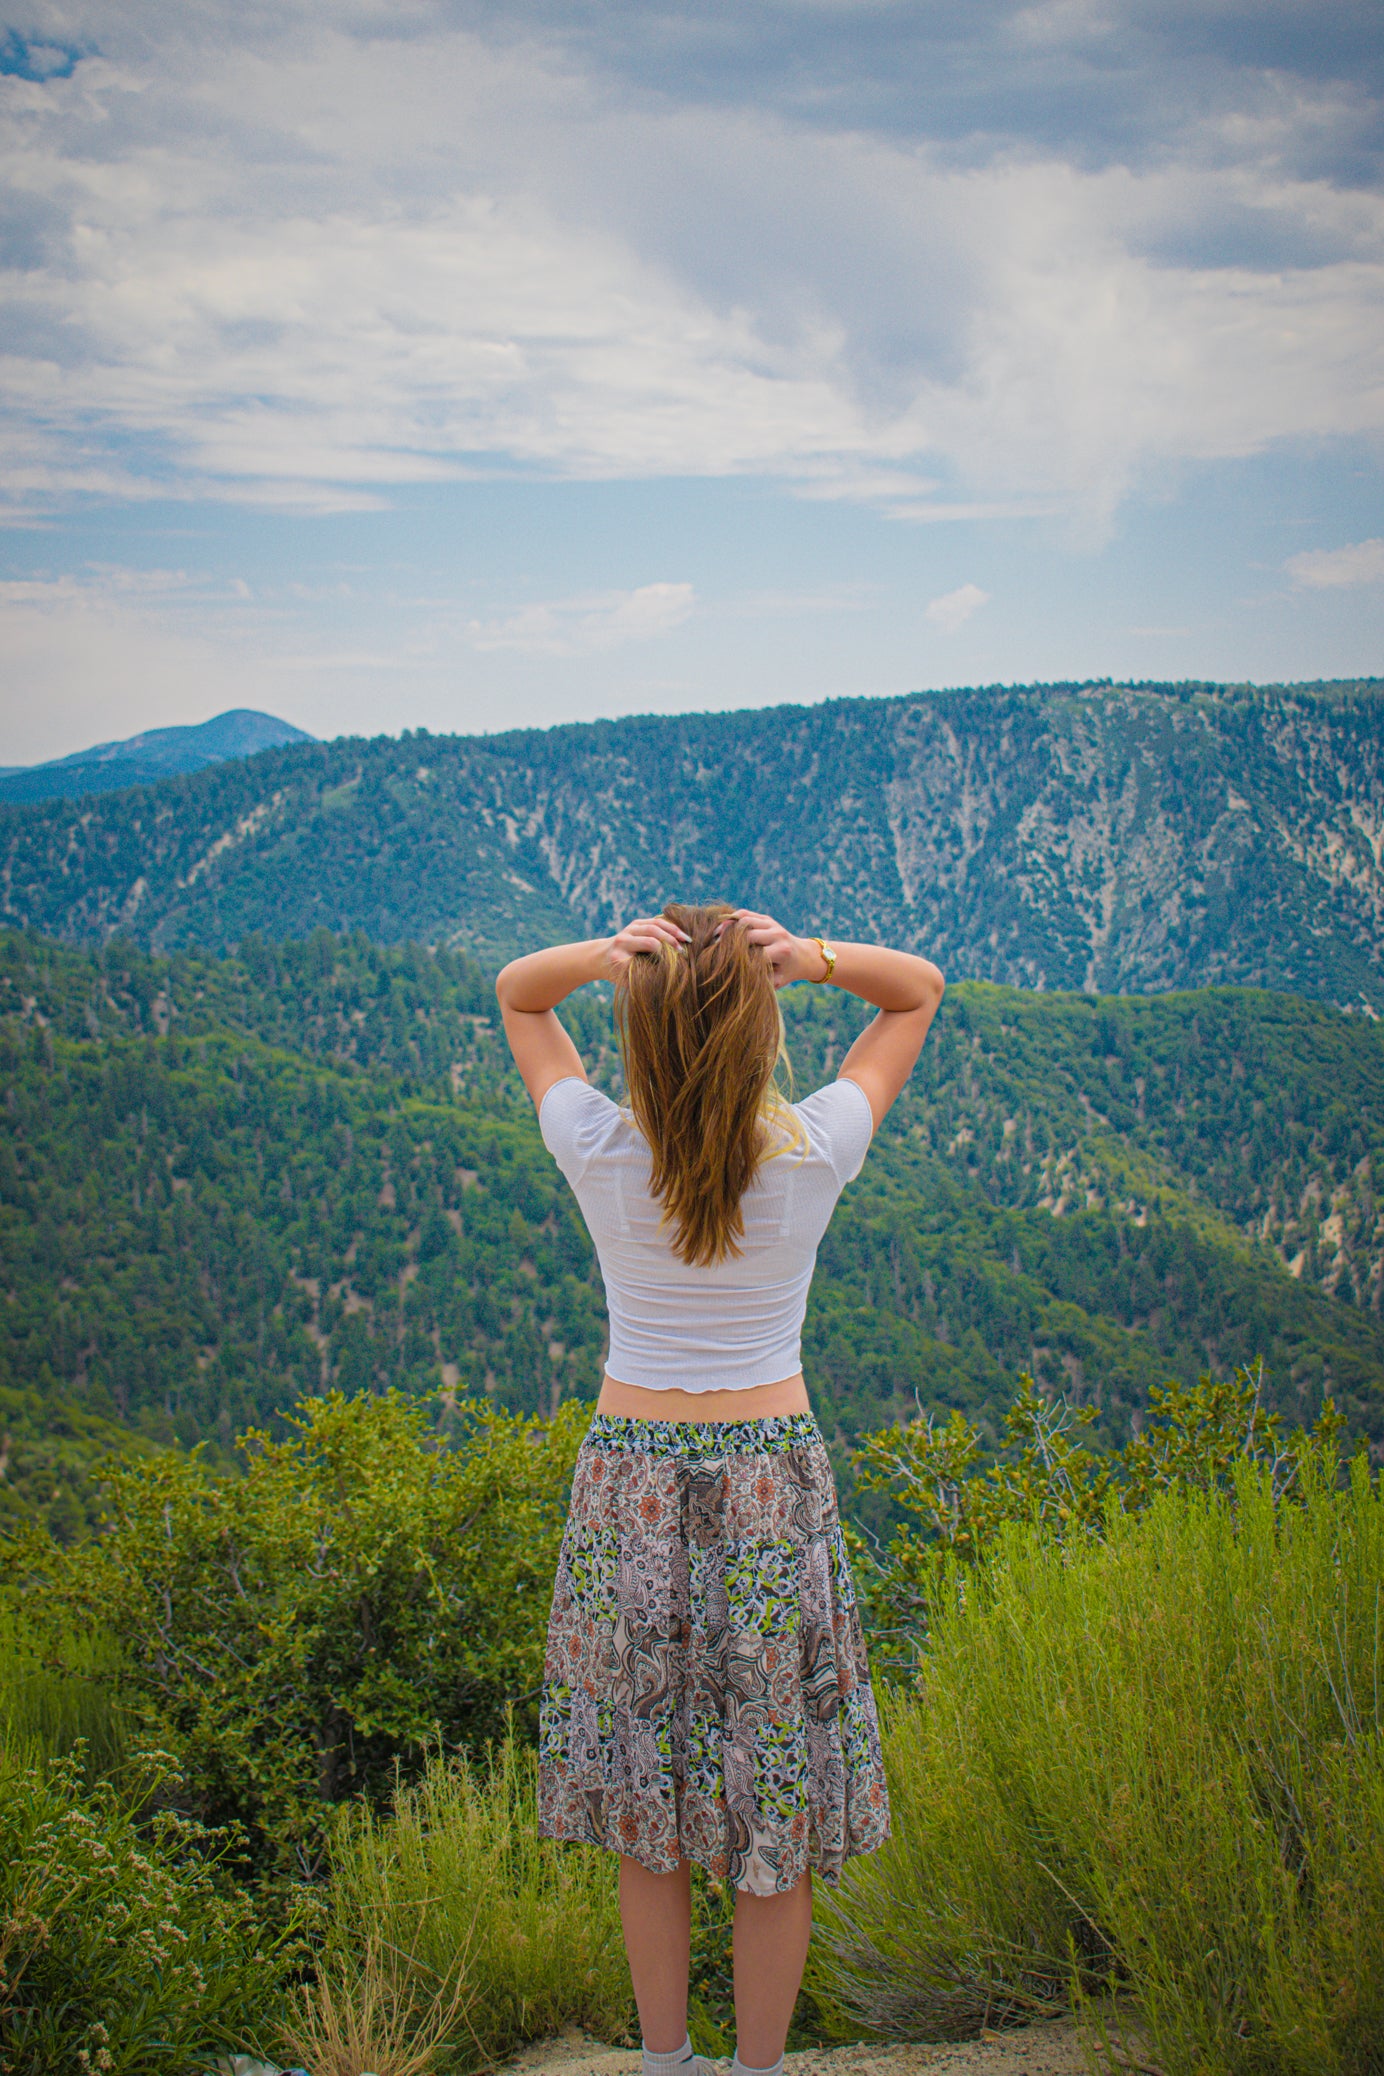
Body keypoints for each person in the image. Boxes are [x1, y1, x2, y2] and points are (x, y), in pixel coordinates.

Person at [496, 904, 944, 2076]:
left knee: (651, 1806)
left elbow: (517, 996)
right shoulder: (808, 1152)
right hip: (767, 1490)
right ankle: (755, 2071)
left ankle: (663, 2062)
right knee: (771, 1812)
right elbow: (918, 992)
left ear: (640, 1038)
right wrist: (809, 959)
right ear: (762, 1032)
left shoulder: (601, 1148)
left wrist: (607, 957)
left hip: (627, 1492)